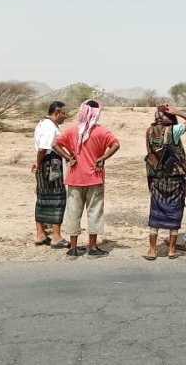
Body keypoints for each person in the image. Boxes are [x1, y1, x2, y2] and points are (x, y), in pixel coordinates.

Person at [55, 100, 120, 258]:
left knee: (73, 213)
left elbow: (56, 144)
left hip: (74, 178)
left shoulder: (72, 130)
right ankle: (92, 247)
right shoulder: (102, 131)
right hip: (95, 178)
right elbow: (116, 145)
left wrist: (68, 157)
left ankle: (73, 248)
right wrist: (103, 157)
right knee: (94, 213)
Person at [143, 104, 186, 261]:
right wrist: (178, 112)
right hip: (174, 179)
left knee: (155, 214)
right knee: (175, 214)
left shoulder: (149, 131)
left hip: (156, 179)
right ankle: (172, 250)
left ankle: (152, 251)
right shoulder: (173, 131)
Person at [31, 101, 71, 248]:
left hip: (45, 163)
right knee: (57, 197)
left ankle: (41, 234)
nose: (65, 116)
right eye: (63, 113)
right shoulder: (49, 127)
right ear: (57, 112)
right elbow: (43, 148)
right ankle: (56, 236)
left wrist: (38, 162)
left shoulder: (43, 124)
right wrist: (40, 162)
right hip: (51, 164)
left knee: (42, 197)